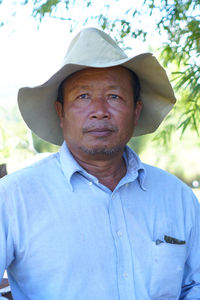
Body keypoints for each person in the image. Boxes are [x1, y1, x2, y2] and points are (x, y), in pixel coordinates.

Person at [0, 27, 199, 300]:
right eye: (83, 97)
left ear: (136, 110)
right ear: (61, 112)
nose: (99, 111)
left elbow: (194, 285)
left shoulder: (177, 198)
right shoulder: (12, 198)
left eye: (114, 97)